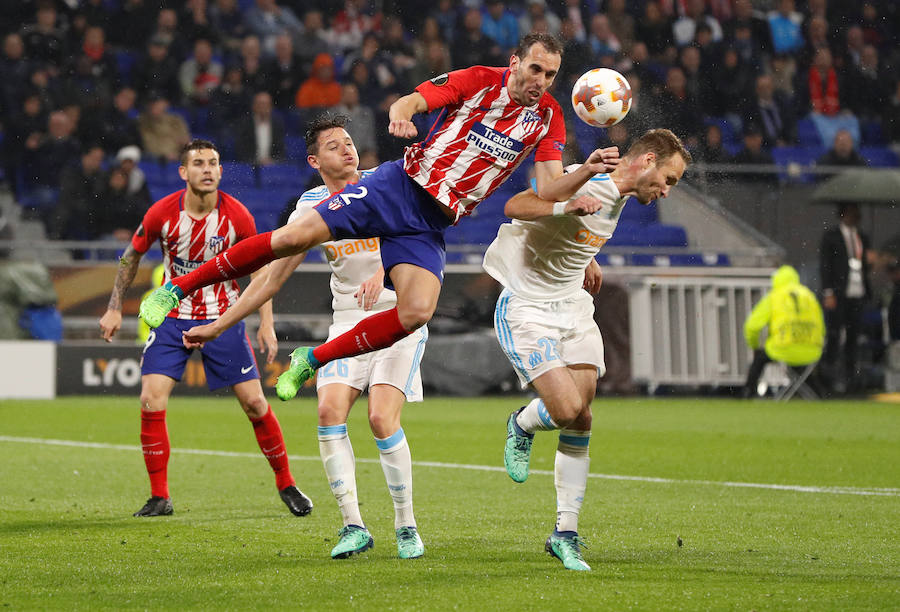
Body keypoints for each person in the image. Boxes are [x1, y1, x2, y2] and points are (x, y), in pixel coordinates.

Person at [140, 33, 620, 403]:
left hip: (430, 222)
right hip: (398, 187)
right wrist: (400, 116)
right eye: (536, 68)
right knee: (292, 237)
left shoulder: (549, 116)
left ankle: (311, 359)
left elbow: (549, 186)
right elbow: (409, 101)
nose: (541, 80)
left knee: (415, 313)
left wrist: (587, 172)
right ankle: (176, 289)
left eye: (551, 74)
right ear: (516, 62)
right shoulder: (478, 79)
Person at [183, 115, 428, 560]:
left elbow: (420, 233)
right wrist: (223, 324)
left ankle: (406, 525)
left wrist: (383, 269)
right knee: (329, 412)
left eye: (349, 142)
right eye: (334, 146)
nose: (347, 150)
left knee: (380, 419)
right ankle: (353, 525)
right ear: (315, 160)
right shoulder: (311, 207)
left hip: (398, 315)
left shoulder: (385, 183)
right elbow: (269, 280)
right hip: (347, 319)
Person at [487, 128, 691, 572]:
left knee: (582, 415)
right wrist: (566, 203)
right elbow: (515, 206)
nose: (666, 191)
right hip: (528, 308)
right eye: (668, 179)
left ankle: (565, 533)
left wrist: (585, 257)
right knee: (563, 408)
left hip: (574, 308)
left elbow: (577, 230)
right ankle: (521, 423)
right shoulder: (591, 182)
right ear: (647, 160)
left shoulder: (617, 194)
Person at [99, 139, 312, 518]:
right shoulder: (162, 213)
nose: (208, 169)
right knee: (151, 397)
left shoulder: (238, 216)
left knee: (254, 402)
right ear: (183, 172)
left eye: (213, 162)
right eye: (198, 163)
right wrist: (114, 308)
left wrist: (266, 323)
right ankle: (159, 496)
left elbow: (261, 271)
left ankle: (287, 484)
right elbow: (130, 256)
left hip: (222, 316)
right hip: (172, 317)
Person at [742, 265, 825, 398]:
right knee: (802, 370)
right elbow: (822, 326)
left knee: (759, 360)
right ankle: (818, 395)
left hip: (783, 349)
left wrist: (754, 345)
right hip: (812, 352)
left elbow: (752, 326)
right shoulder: (809, 296)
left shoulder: (774, 297)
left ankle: (748, 393)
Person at [819, 202, 870, 392]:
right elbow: (826, 266)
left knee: (853, 337)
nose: (855, 218)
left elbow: (863, 263)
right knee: (834, 334)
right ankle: (827, 379)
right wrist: (828, 292)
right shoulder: (831, 236)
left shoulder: (862, 237)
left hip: (857, 292)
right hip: (839, 293)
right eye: (851, 214)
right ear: (842, 215)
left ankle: (851, 380)